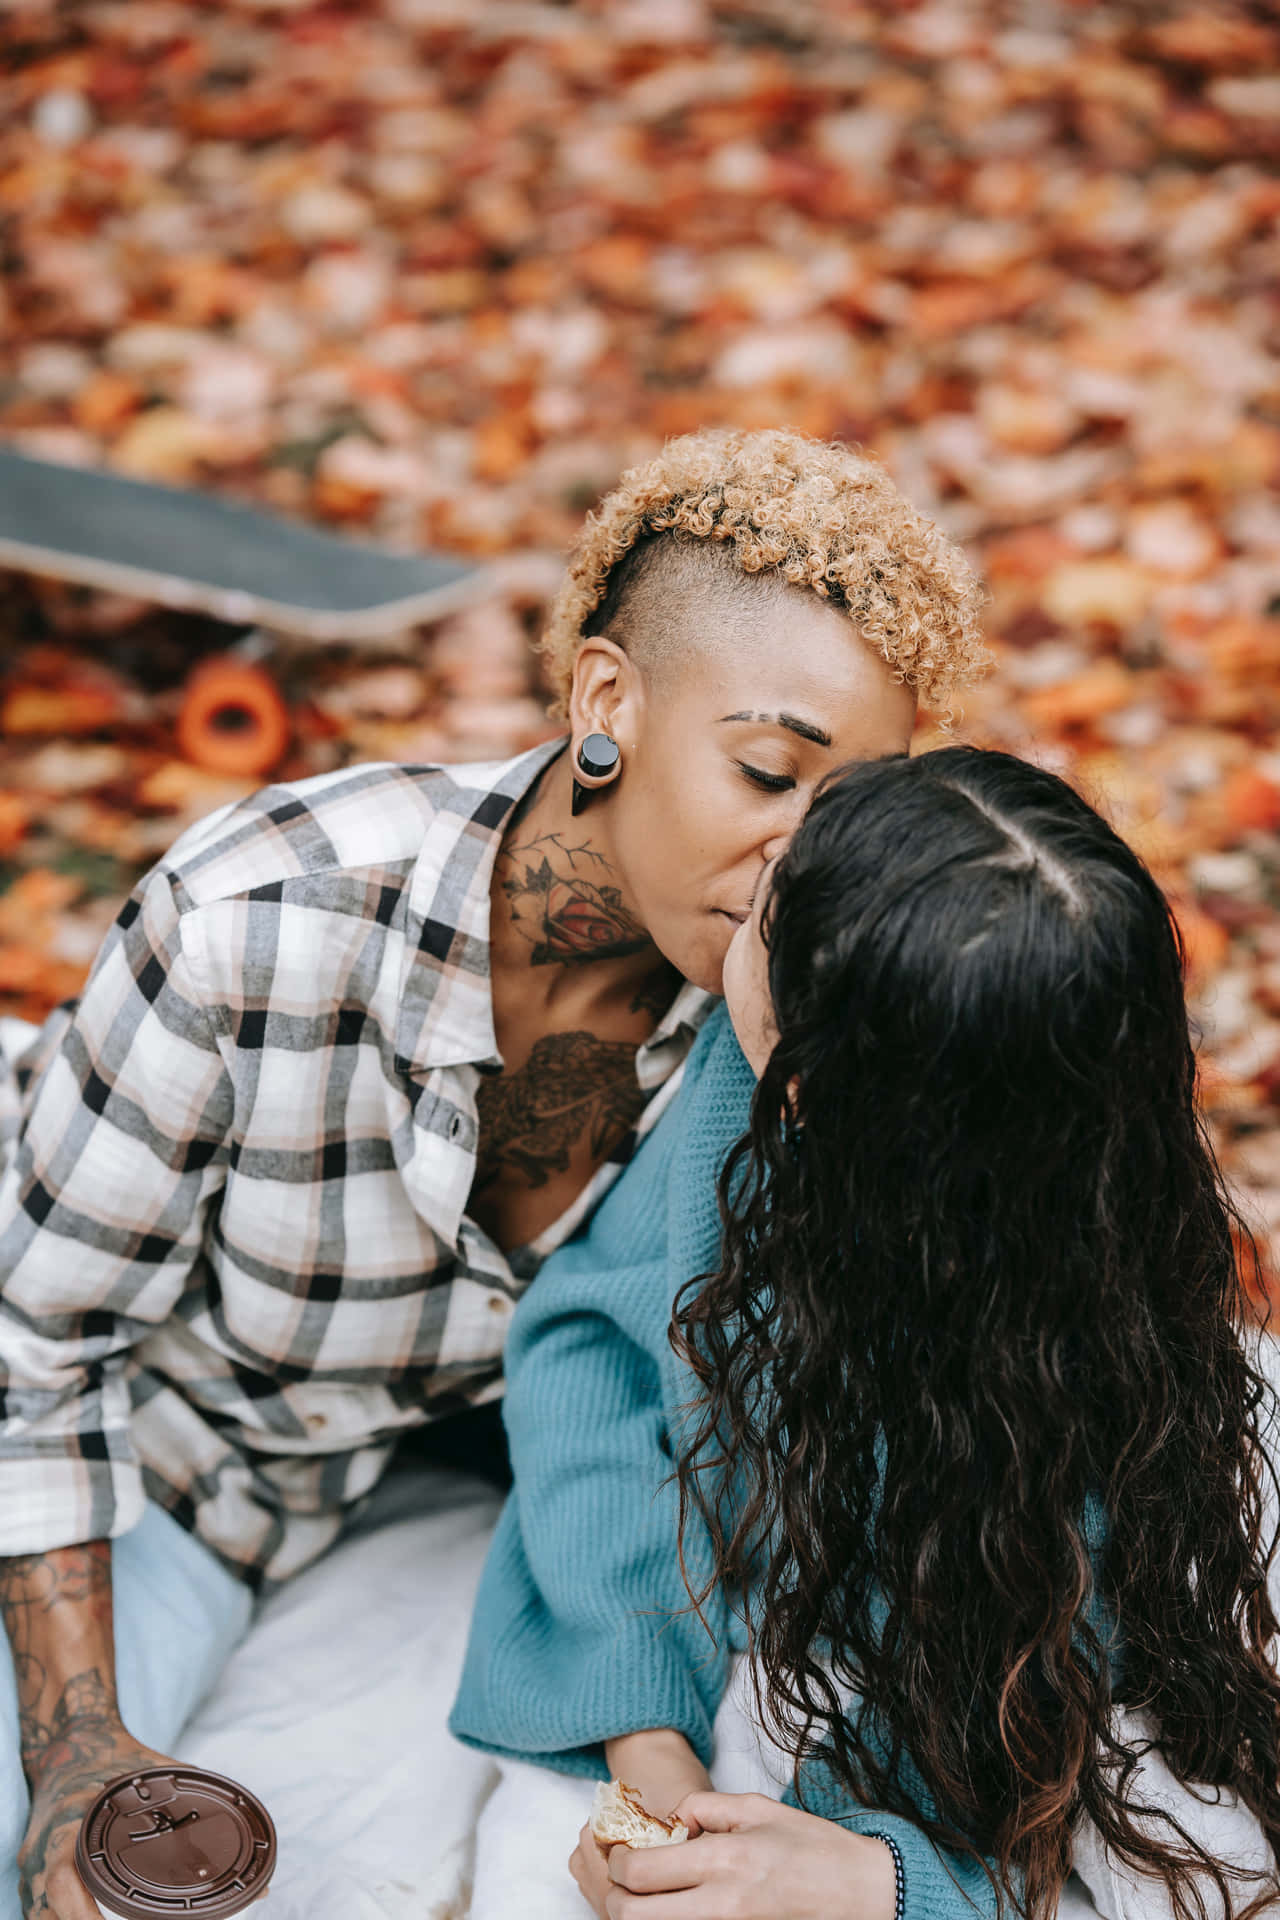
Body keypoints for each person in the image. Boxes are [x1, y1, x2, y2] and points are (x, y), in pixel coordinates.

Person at [0, 428, 985, 1920]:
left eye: (853, 814)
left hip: (394, 1477)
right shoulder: (257, 923)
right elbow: (37, 1354)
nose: (808, 868)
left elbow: (701, 1388)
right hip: (158, 1459)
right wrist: (76, 1750)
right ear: (608, 702)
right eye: (769, 773)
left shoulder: (771, 1013)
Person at [450, 747, 1280, 1920]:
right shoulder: (746, 1089)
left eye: (765, 923)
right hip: (710, 1644)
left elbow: (1128, 1856)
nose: (743, 893)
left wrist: (881, 1887)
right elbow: (596, 1355)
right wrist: (642, 1737)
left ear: (813, 1093)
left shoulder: (1098, 1464)